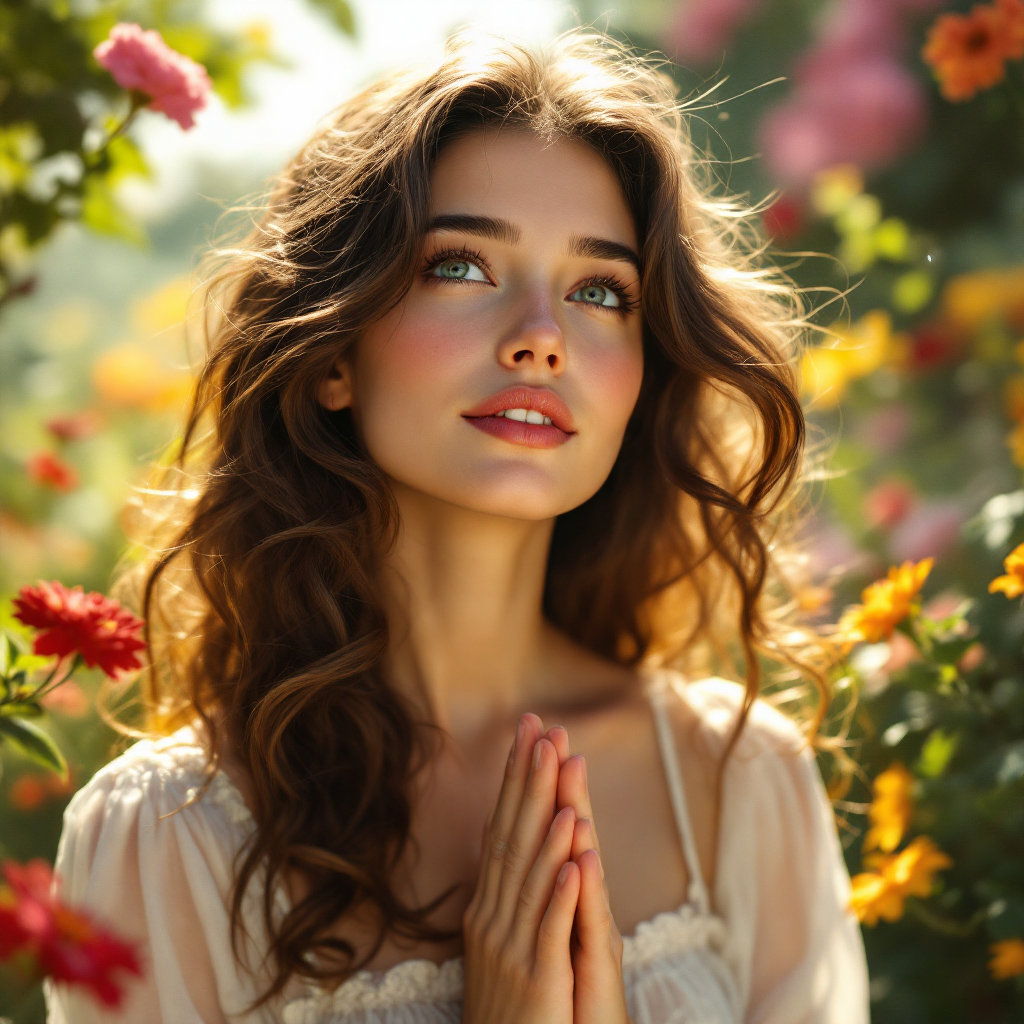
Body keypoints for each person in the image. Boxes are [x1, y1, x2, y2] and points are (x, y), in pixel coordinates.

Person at [46, 29, 869, 1024]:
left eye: (600, 290)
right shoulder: (162, 836)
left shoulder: (740, 783)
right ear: (331, 355)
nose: (540, 336)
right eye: (464, 267)